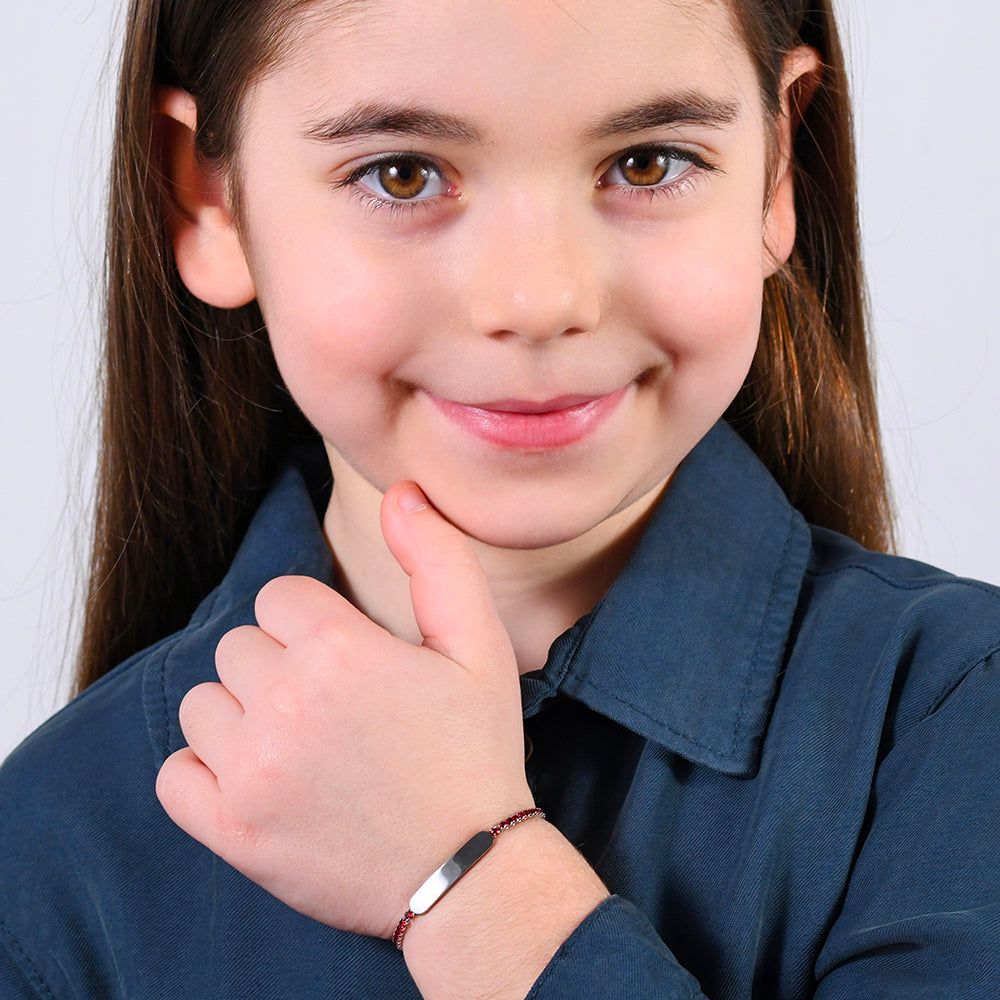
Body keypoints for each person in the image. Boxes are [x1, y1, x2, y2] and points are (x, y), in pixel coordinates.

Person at [1, 0, 998, 996]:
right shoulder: (50, 846)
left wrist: (469, 875)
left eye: (646, 161)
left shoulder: (952, 723)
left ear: (776, 168)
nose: (539, 299)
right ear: (208, 200)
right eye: (404, 173)